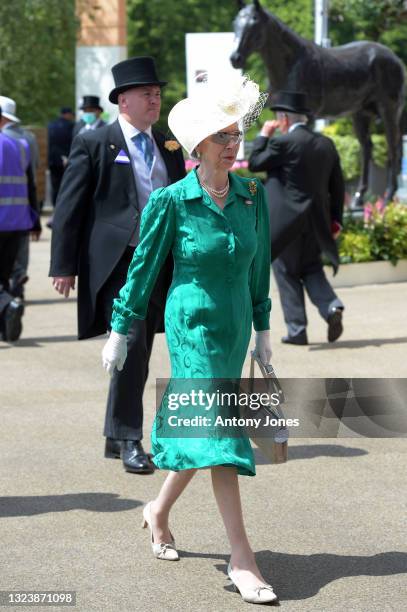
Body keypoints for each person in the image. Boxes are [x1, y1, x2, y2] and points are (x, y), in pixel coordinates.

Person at [101, 72, 278, 605]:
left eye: (236, 134)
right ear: (198, 144)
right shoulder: (171, 201)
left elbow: (258, 268)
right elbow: (143, 268)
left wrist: (264, 330)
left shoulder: (252, 195)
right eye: (222, 137)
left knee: (201, 434)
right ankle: (242, 558)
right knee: (222, 437)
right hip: (191, 327)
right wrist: (120, 328)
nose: (233, 144)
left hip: (234, 325)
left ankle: (157, 511)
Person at [49, 57, 185, 474]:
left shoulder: (167, 144)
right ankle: (129, 437)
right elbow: (70, 205)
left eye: (158, 93)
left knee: (137, 349)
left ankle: (116, 434)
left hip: (158, 261)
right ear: (122, 100)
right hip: (117, 263)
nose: (154, 100)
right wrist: (63, 265)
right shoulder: (96, 142)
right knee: (131, 344)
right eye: (146, 93)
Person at [249, 91, 345, 345]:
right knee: (311, 267)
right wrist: (336, 220)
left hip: (287, 223)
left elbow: (255, 162)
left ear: (284, 119)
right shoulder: (326, 143)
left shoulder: (283, 143)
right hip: (317, 222)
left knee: (286, 271)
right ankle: (331, 307)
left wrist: (263, 136)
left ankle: (297, 330)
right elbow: (338, 186)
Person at [0, 107, 41, 341]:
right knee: (4, 275)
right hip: (17, 222)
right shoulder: (20, 145)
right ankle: (5, 330)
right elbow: (31, 185)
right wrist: (34, 220)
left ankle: (9, 305)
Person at [47, 107, 75, 208]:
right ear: (67, 114)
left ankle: (55, 209)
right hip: (67, 161)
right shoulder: (71, 126)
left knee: (55, 187)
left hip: (53, 161)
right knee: (68, 186)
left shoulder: (51, 125)